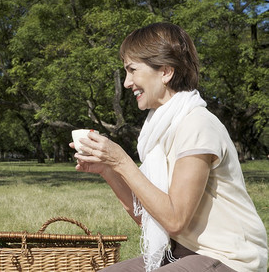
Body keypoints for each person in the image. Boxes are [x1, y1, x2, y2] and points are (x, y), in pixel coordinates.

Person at [70, 23, 267, 272]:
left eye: (132, 70)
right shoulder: (159, 129)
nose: (128, 82)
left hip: (228, 257)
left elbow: (174, 221)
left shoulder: (196, 123)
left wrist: (121, 161)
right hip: (179, 254)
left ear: (165, 72)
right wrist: (107, 170)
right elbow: (148, 218)